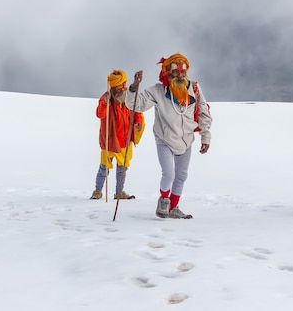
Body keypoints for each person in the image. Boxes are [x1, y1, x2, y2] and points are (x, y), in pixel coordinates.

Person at [127, 53, 212, 219]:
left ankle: (174, 208)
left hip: (186, 140)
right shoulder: (158, 91)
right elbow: (136, 104)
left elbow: (203, 113)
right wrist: (134, 88)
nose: (180, 75)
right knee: (169, 174)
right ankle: (164, 200)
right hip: (164, 139)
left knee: (181, 176)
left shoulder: (194, 89)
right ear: (167, 72)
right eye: (175, 72)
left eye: (183, 72)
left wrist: (205, 137)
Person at [91, 69, 145, 200]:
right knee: (104, 167)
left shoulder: (129, 98)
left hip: (125, 140)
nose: (121, 88)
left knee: (122, 169)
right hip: (109, 140)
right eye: (118, 86)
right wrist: (105, 103)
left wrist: (138, 122)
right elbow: (100, 114)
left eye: (123, 85)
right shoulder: (106, 98)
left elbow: (137, 111)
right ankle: (97, 191)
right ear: (113, 86)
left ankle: (119, 193)